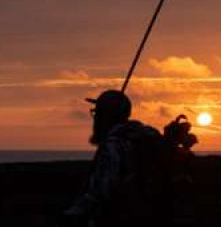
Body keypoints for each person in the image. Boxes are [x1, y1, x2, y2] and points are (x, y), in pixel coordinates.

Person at [63, 89, 163, 227]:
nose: (95, 118)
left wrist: (73, 214)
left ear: (105, 116)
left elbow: (101, 192)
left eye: (97, 113)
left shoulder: (112, 146)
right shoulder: (141, 138)